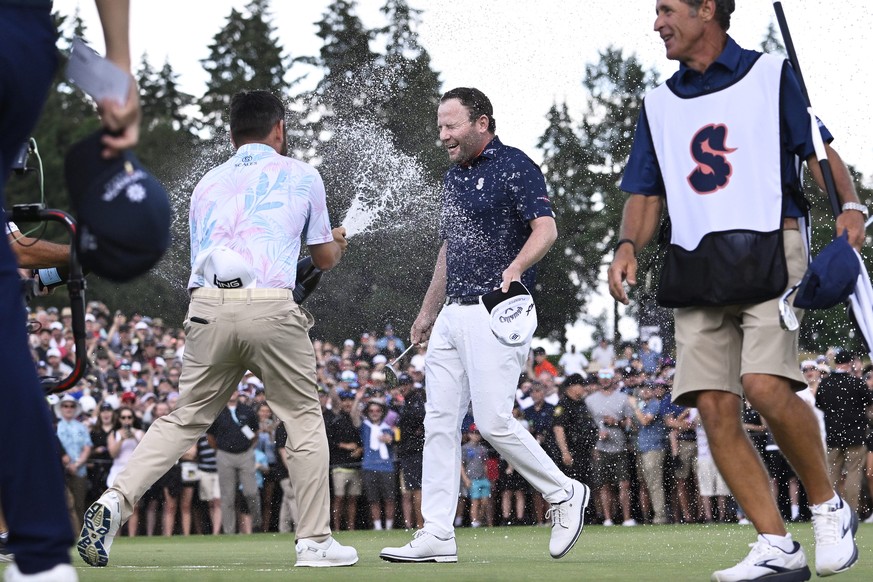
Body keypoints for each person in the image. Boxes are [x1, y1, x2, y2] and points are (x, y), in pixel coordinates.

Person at [607, 1, 863, 578]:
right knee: (714, 406)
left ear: (706, 10)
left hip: (772, 248)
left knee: (765, 387)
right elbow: (645, 192)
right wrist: (627, 246)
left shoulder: (771, 74)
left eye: (667, 10)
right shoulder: (658, 102)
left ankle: (828, 508)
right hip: (695, 263)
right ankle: (776, 545)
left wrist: (848, 206)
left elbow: (819, 150)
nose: (656, 23)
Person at [78, 90, 357, 568]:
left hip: (206, 307)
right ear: (280, 130)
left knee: (184, 418)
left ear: (231, 135)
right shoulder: (302, 174)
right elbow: (324, 259)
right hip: (270, 307)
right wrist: (336, 240)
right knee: (303, 420)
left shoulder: (206, 182)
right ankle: (313, 542)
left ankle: (114, 501)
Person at [380, 87, 589, 564]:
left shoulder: (515, 163)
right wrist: (428, 311)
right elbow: (449, 250)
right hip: (452, 313)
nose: (443, 136)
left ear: (482, 122)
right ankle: (437, 533)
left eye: (451, 126)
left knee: (493, 420)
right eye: (439, 127)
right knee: (438, 423)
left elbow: (546, 229)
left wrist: (514, 270)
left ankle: (564, 493)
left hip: (497, 310)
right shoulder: (452, 178)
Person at [815, 350, 873, 514]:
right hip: (855, 435)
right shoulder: (857, 383)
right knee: (853, 475)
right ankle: (850, 512)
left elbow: (819, 404)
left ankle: (831, 510)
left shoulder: (826, 384)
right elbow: (868, 403)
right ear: (850, 364)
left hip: (833, 435)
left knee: (832, 474)